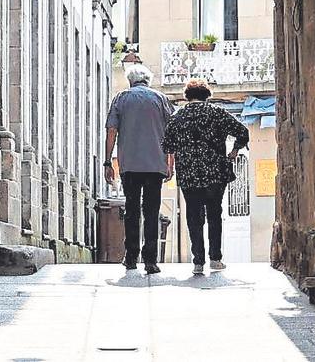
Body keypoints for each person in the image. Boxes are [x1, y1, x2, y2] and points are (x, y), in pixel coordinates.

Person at [162, 78, 250, 275]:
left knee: (193, 217)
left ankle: (198, 261)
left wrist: (177, 159)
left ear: (187, 96)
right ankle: (215, 258)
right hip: (215, 173)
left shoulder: (177, 117)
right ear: (207, 96)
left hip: (189, 174)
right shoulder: (216, 113)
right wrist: (235, 150)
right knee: (214, 215)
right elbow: (242, 132)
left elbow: (167, 145)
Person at [104, 63, 174, 274]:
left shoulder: (121, 98)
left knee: (132, 210)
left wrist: (108, 161)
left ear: (130, 81)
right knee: (152, 211)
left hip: (130, 164)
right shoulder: (161, 99)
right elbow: (171, 133)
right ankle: (151, 260)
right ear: (147, 81)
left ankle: (131, 257)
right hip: (155, 165)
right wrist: (170, 162)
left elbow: (111, 130)